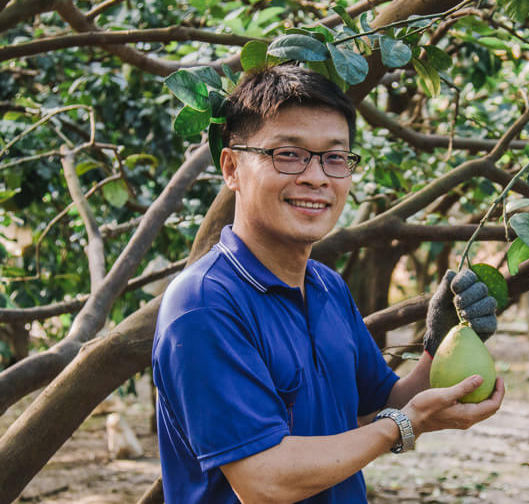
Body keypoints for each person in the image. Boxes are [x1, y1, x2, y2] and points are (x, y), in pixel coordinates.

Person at [151, 64, 504, 503]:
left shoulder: (326, 286)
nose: (316, 177)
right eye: (288, 154)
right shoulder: (204, 305)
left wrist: (439, 346)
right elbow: (264, 479)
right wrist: (403, 425)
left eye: (334, 157)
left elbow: (375, 408)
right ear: (231, 167)